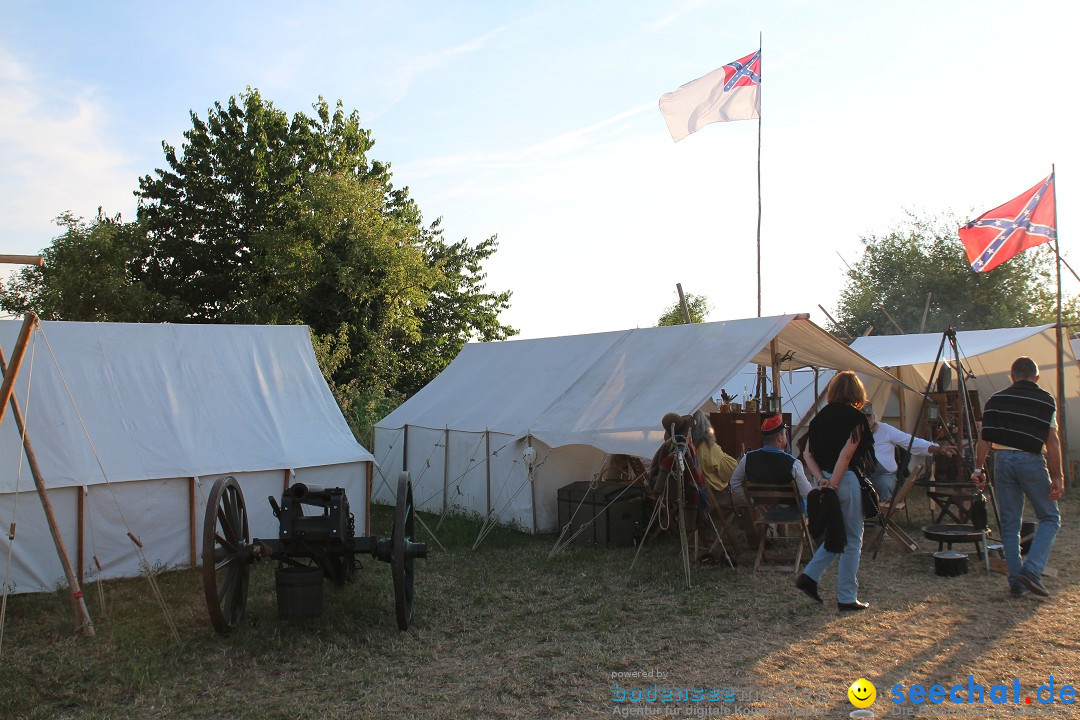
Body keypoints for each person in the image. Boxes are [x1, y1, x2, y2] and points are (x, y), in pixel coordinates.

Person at [971, 357, 1064, 598]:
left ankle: (1016, 582)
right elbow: (1052, 441)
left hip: (1002, 461)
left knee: (1010, 525)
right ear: (1037, 377)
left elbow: (984, 438)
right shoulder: (1045, 400)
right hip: (1031, 460)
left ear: (1011, 376)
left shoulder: (995, 399)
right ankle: (1032, 570)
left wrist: (979, 469)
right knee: (1050, 517)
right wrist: (1058, 476)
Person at [795, 370, 877, 612]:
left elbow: (807, 453)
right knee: (852, 539)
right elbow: (847, 453)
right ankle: (846, 597)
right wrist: (836, 482)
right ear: (856, 392)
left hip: (827, 479)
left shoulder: (819, 419)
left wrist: (822, 479)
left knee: (837, 535)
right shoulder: (856, 418)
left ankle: (809, 576)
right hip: (846, 480)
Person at [861, 402, 952, 501]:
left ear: (873, 416)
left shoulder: (884, 429)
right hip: (861, 474)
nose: (866, 419)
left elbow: (911, 441)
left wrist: (937, 448)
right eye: (863, 416)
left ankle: (885, 513)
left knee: (885, 485)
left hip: (883, 475)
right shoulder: (852, 432)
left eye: (868, 416)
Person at [729, 415, 812, 508]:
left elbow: (734, 483)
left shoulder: (747, 459)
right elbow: (807, 494)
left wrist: (751, 501)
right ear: (779, 437)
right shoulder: (794, 463)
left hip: (762, 512)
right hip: (791, 513)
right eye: (785, 434)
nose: (785, 437)